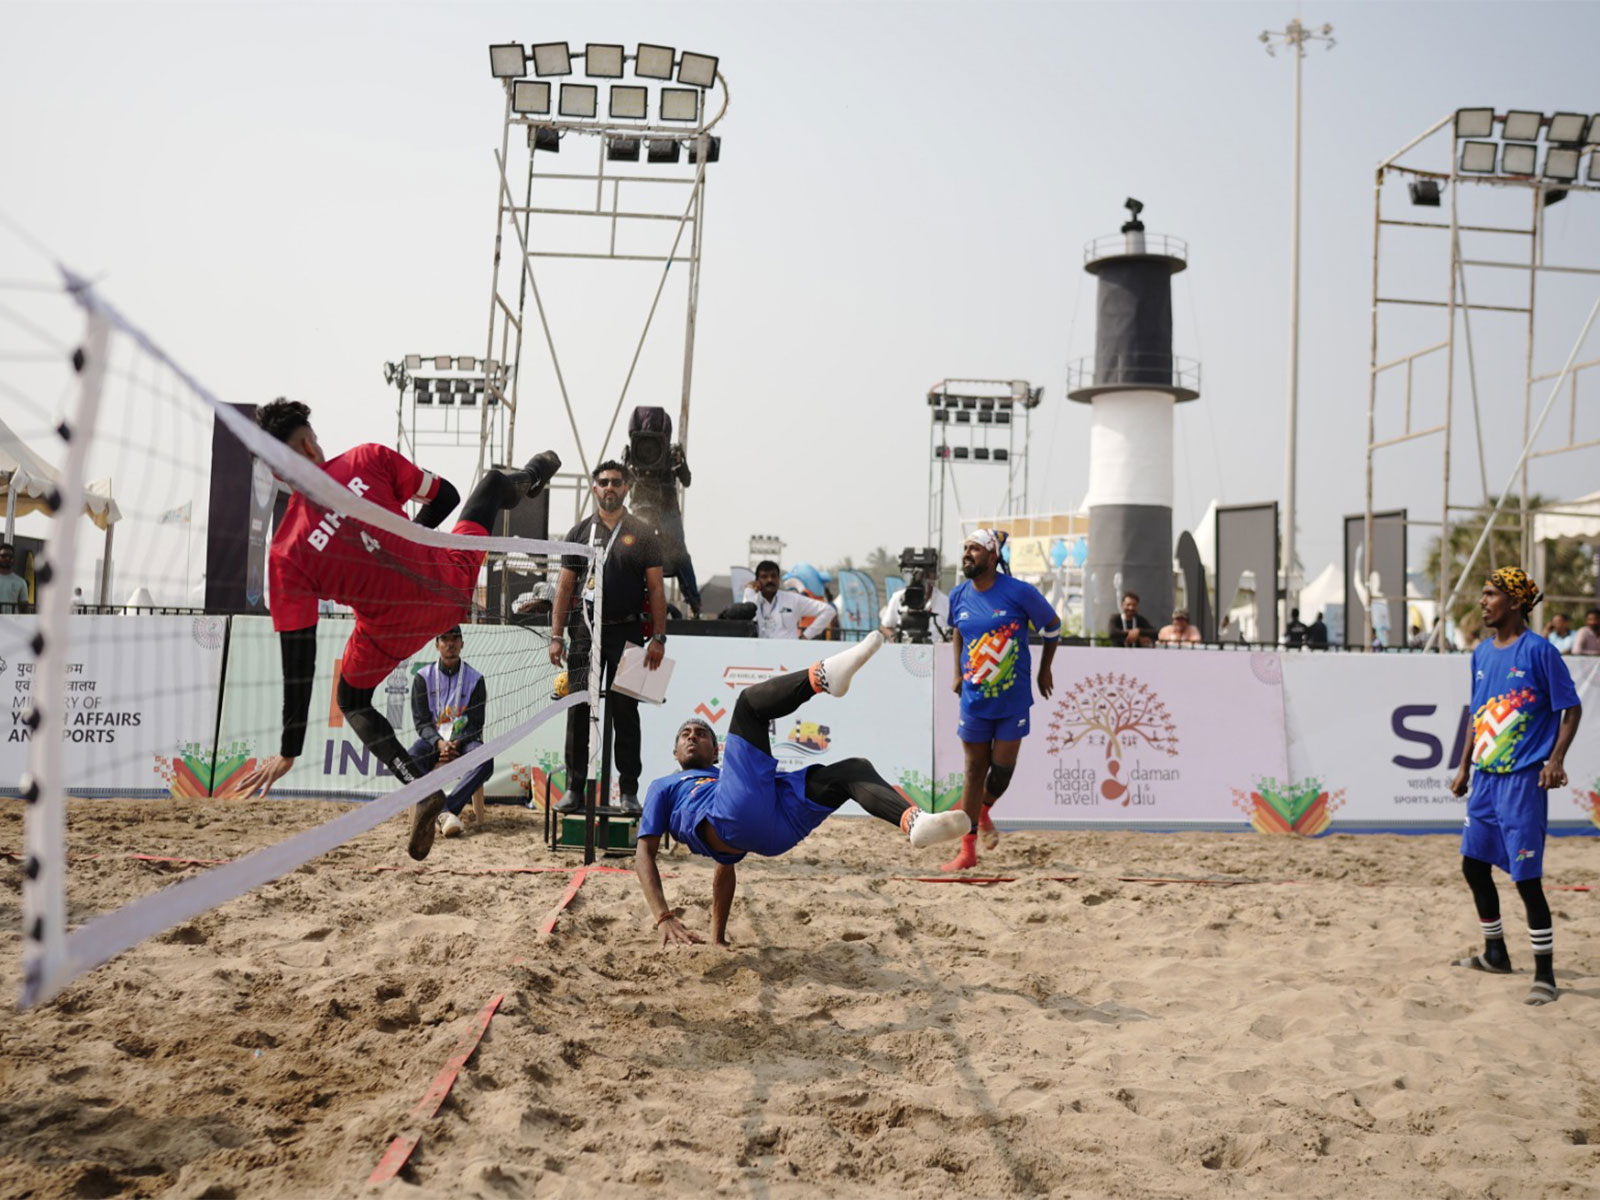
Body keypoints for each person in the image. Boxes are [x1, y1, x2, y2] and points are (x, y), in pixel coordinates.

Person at [227, 398, 559, 864]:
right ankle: (533, 476)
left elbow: (299, 659)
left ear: (276, 471)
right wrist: (414, 538)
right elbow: (446, 496)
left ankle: (419, 787)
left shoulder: (285, 553)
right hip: (447, 583)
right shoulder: (367, 458)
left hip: (389, 628)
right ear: (309, 443)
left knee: (352, 699)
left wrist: (288, 750)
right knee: (491, 485)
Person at [634, 631, 970, 944]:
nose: (693, 737)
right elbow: (644, 854)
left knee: (853, 770)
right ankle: (821, 677)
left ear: (715, 751)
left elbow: (725, 866)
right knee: (748, 705)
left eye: (701, 733)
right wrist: (663, 916)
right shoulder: (664, 785)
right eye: (685, 735)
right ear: (674, 753)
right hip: (744, 823)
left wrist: (717, 937)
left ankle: (913, 821)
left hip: (772, 824)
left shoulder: (726, 777)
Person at [1448, 567, 1583, 1006]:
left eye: (1491, 594)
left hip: (1523, 781)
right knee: (1473, 866)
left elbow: (1571, 708)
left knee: (1526, 879)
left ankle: (1545, 976)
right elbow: (1478, 715)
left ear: (1515, 601)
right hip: (1485, 780)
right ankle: (1496, 954)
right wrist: (1464, 767)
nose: (1483, 601)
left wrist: (1555, 760)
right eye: (1484, 593)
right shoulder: (1481, 653)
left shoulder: (1540, 651)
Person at [550, 461, 666, 816]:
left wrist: (659, 637)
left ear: (627, 487)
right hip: (585, 632)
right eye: (603, 482)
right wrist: (556, 636)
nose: (609, 487)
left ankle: (628, 791)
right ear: (595, 488)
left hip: (628, 632)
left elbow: (657, 589)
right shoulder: (579, 532)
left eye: (616, 482)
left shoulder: (643, 534)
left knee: (627, 712)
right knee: (578, 710)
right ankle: (574, 789)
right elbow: (565, 587)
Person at [943, 529, 1060, 871]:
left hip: (1013, 700)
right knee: (973, 770)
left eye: (975, 549)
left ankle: (981, 811)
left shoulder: (1019, 592)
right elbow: (958, 632)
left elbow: (1053, 627)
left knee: (1002, 773)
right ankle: (967, 851)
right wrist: (957, 673)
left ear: (993, 556)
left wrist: (1045, 670)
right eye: (965, 548)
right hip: (974, 700)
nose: (967, 553)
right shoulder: (958, 595)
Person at [409, 625, 492, 840]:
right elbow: (421, 722)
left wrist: (456, 741)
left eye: (455, 638)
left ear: (462, 644)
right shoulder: (422, 677)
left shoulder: (475, 679)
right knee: (409, 760)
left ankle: (444, 810)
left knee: (485, 759)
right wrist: (439, 743)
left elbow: (475, 722)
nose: (450, 643)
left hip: (463, 742)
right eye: (445, 639)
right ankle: (444, 813)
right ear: (436, 644)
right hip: (433, 741)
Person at [623, 406, 701, 619]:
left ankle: (695, 604)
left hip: (666, 507)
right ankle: (632, 603)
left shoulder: (672, 451)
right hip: (642, 504)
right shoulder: (632, 451)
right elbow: (624, 479)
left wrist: (678, 463)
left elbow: (686, 480)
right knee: (636, 553)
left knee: (678, 553)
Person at [742, 560, 836, 640]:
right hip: (760, 652)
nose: (770, 580)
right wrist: (749, 590)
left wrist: (806, 635)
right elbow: (746, 615)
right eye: (764, 577)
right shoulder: (753, 600)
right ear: (757, 581)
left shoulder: (793, 599)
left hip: (788, 652)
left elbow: (828, 610)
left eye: (773, 576)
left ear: (778, 579)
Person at [878, 581, 951, 642]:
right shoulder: (898, 597)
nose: (924, 577)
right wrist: (895, 640)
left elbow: (952, 633)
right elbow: (885, 627)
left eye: (929, 571)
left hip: (936, 651)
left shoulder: (946, 601)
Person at [0, 544, 29, 612]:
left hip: (12, 618)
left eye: (10, 556)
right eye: (4, 556)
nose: (7, 559)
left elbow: (24, 606)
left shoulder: (21, 582)